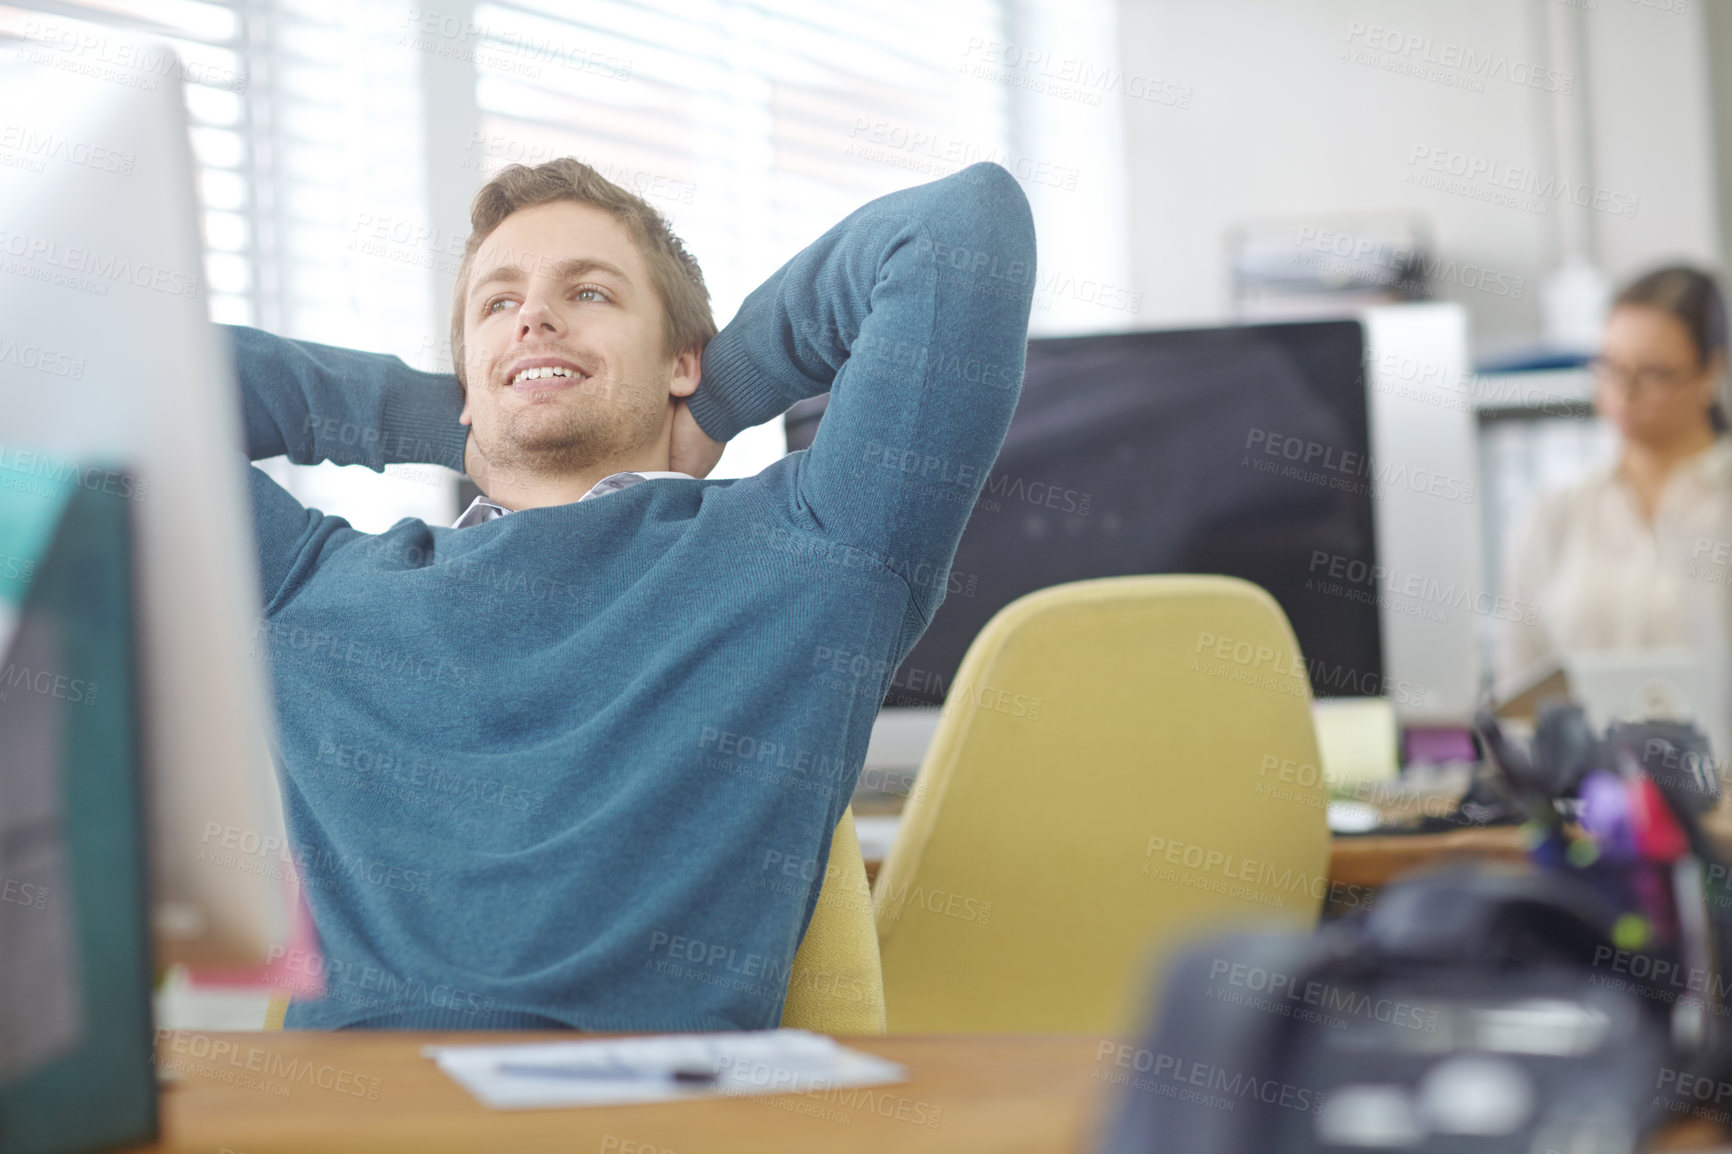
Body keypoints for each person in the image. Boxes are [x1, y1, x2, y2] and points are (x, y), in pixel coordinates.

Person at [232, 159, 1036, 1029]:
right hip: (345, 1113)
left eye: (590, 294)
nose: (535, 314)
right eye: (498, 305)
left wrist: (716, 400)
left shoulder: (812, 547)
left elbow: (960, 231)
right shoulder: (315, 586)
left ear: (681, 358)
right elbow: (113, 383)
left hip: (636, 1110)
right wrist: (451, 409)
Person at [1496, 265, 1732, 695]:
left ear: (1710, 372)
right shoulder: (1555, 513)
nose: (1624, 393)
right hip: (1589, 764)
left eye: (1654, 373)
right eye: (1610, 368)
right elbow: (1519, 688)